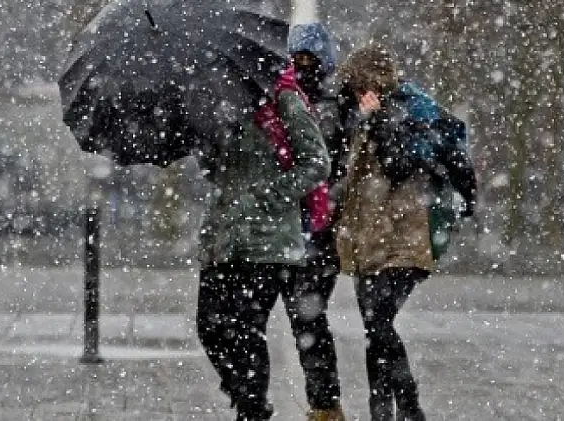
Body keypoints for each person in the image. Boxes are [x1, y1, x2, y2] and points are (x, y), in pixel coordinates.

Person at [334, 43, 476, 421]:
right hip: (367, 237)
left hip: (406, 237)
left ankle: (409, 408)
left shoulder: (410, 111)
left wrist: (378, 121)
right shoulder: (358, 114)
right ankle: (381, 411)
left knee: (379, 321)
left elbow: (401, 165)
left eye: (355, 85)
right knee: (374, 328)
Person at [196, 55, 332, 421]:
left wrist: (271, 195)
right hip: (223, 236)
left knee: (245, 328)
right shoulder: (219, 102)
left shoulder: (283, 98)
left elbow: (317, 162)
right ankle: (247, 399)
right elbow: (217, 171)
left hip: (267, 240)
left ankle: (251, 409)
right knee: (209, 326)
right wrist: (207, 144)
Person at [284, 22, 346, 421]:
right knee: (306, 318)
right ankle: (323, 403)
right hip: (299, 227)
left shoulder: (329, 108)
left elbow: (325, 165)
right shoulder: (290, 103)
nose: (304, 66)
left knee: (307, 317)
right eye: (298, 59)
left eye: (311, 60)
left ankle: (324, 403)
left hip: (317, 228)